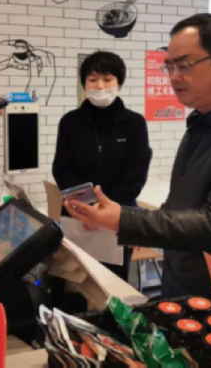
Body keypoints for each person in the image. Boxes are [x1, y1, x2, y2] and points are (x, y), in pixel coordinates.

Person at [64, 14, 211, 311]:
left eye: (185, 65)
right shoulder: (203, 122)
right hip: (187, 287)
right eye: (169, 66)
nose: (174, 76)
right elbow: (182, 205)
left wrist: (125, 220)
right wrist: (136, 224)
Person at [52, 51, 152, 281]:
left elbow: (136, 175)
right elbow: (62, 169)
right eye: (93, 79)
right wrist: (88, 208)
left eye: (107, 79)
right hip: (77, 215)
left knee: (112, 284)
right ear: (84, 84)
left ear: (119, 84)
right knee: (74, 281)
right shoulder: (70, 122)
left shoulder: (134, 124)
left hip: (117, 215)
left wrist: (103, 211)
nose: (100, 86)